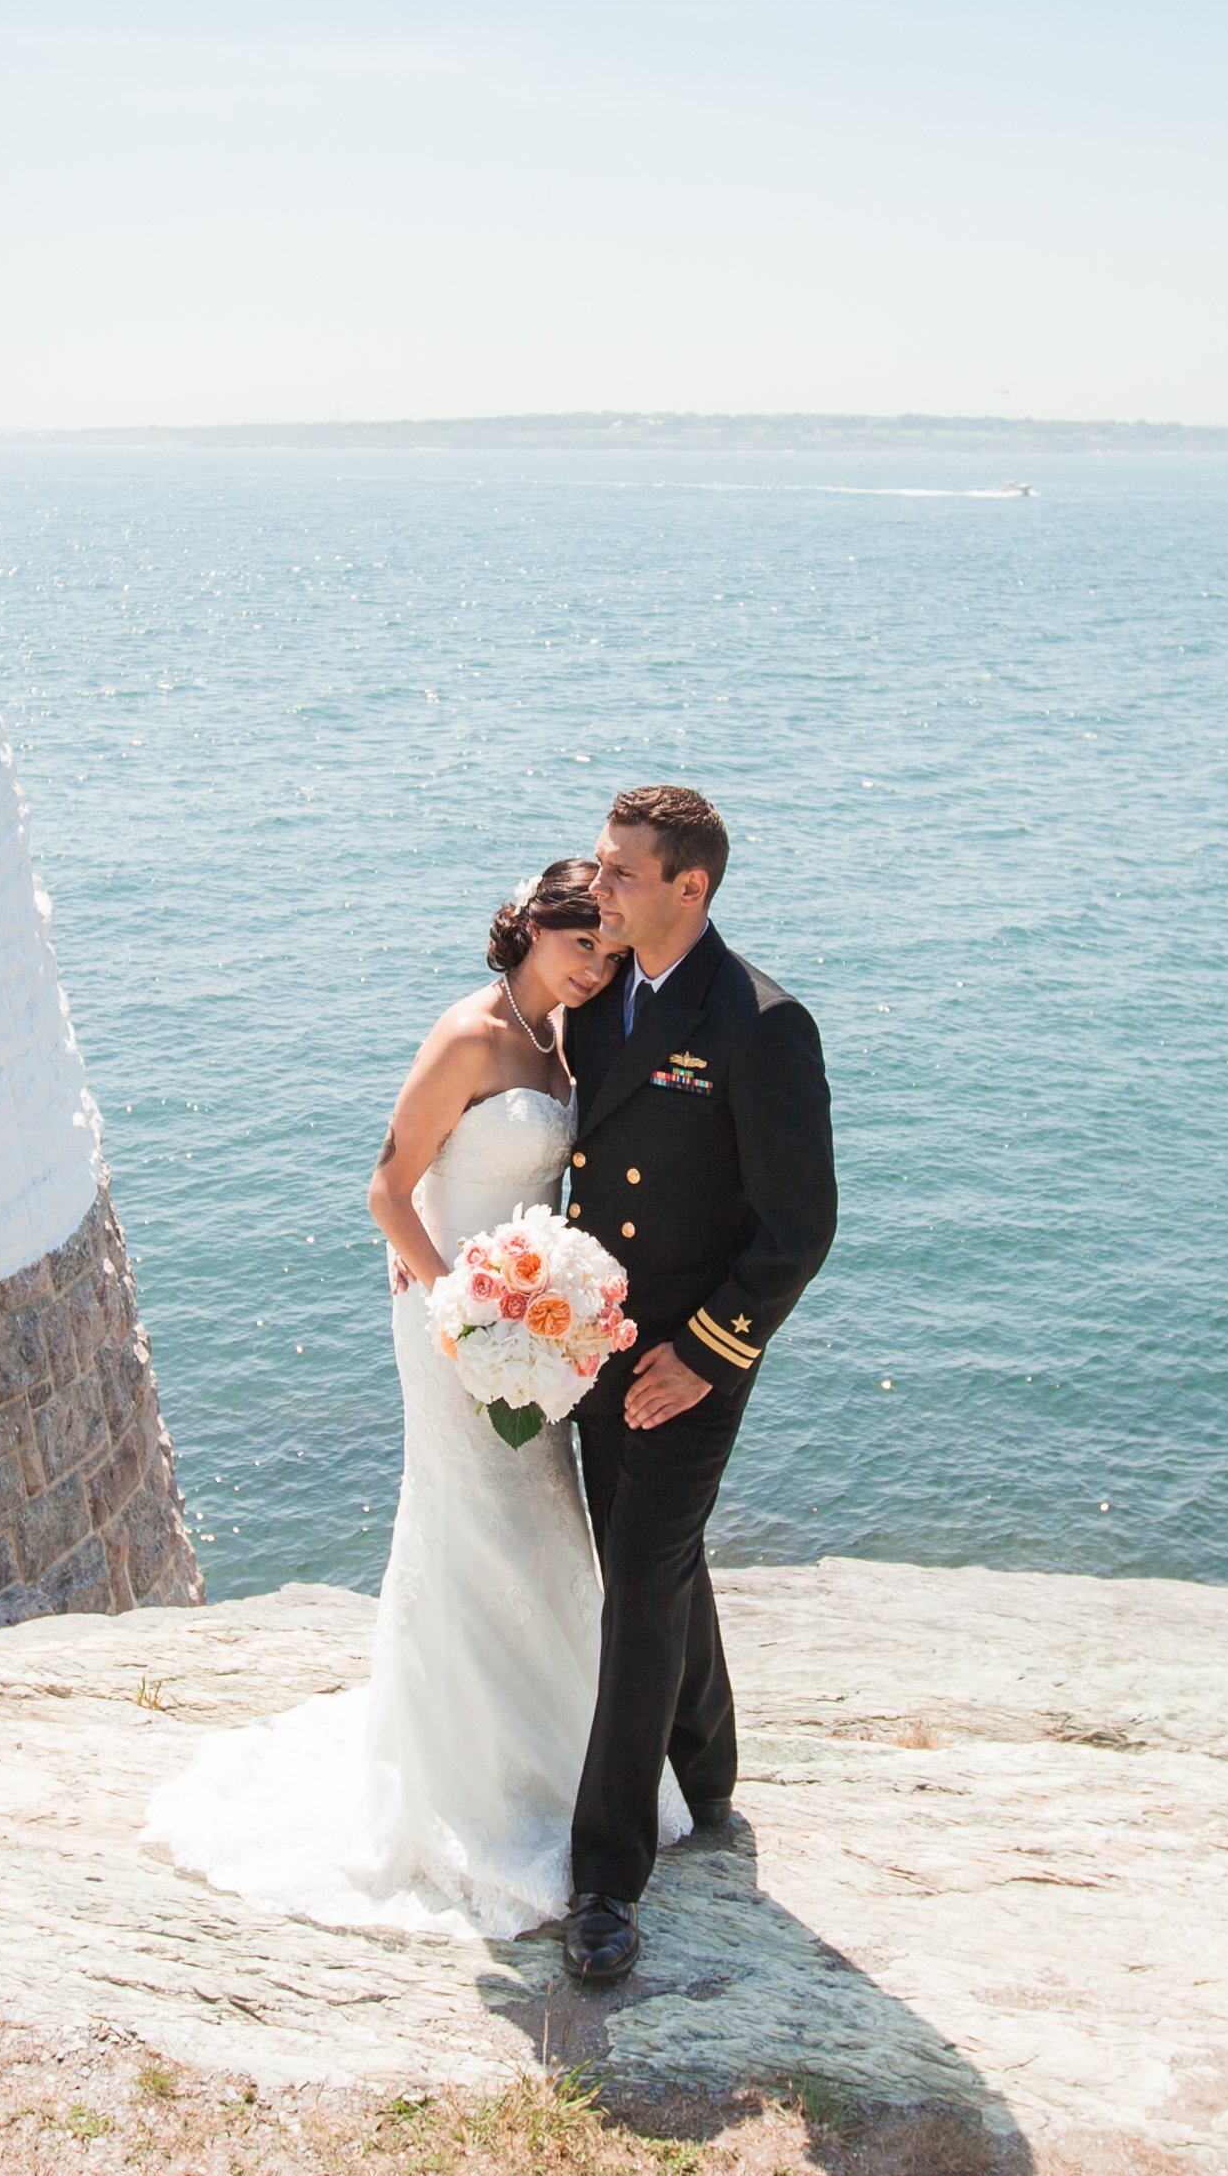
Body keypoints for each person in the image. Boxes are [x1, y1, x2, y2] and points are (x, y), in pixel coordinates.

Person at [138, 857, 674, 1934]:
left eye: (608, 954)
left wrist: (537, 1307)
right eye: (581, 947)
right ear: (529, 929)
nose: (594, 968)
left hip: (526, 1320)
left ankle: (557, 1754)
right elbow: (385, 1184)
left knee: (540, 1519)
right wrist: (459, 1308)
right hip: (455, 1318)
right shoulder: (468, 1034)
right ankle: (466, 1782)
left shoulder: (562, 1040)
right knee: (464, 1518)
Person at [552, 784, 836, 1985]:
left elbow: (798, 1225)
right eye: (601, 866)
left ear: (690, 888)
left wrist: (709, 1349)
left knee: (638, 1581)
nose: (595, 887)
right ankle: (707, 1771)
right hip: (596, 1343)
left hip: (689, 1358)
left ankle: (607, 1878)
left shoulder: (759, 1021)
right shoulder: (600, 996)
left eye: (618, 872)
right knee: (651, 1556)